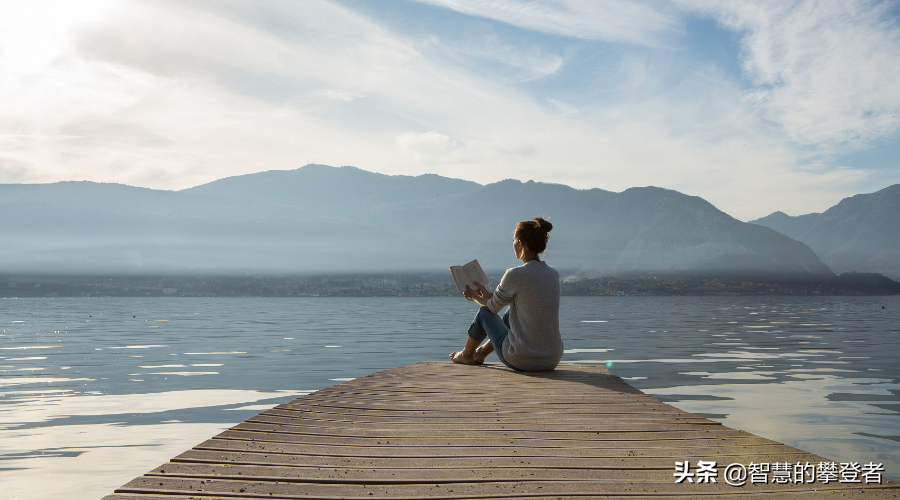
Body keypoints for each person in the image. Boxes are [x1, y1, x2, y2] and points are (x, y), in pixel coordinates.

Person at [449, 217, 563, 371]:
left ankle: (467, 355)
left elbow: (492, 308)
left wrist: (474, 297)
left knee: (484, 313)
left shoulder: (515, 274)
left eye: (514, 240)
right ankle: (480, 353)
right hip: (552, 359)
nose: (513, 244)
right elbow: (522, 300)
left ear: (520, 244)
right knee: (512, 312)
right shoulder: (553, 274)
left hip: (523, 359)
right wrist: (489, 294)